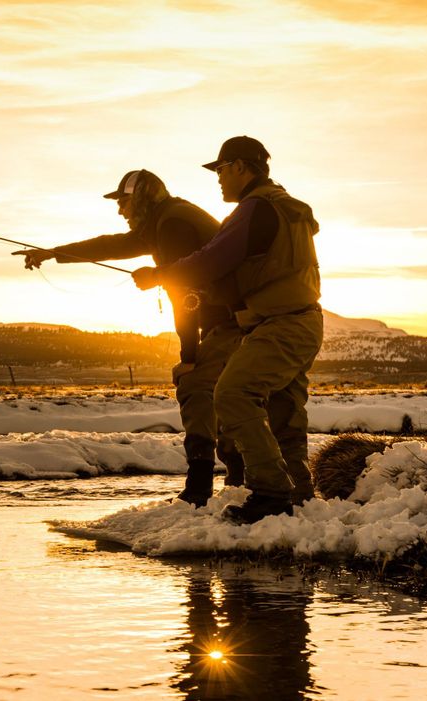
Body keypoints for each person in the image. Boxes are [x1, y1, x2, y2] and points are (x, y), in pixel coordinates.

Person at [13, 169, 244, 506]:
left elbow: (185, 292)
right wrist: (52, 252)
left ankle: (200, 488)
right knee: (221, 395)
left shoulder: (172, 225)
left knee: (195, 385)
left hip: (230, 320)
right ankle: (237, 478)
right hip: (227, 318)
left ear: (142, 198)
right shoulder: (161, 222)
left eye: (123, 202)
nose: (120, 210)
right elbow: (111, 245)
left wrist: (189, 357)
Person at [131, 136, 322, 523]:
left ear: (239, 166)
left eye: (220, 169)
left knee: (233, 394)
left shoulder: (255, 208)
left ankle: (271, 492)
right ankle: (300, 498)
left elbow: (210, 260)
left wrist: (160, 275)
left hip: (279, 324)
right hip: (301, 321)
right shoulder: (285, 208)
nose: (217, 179)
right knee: (284, 412)